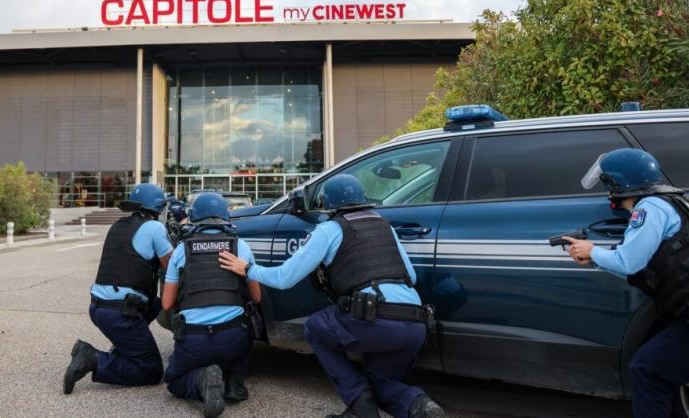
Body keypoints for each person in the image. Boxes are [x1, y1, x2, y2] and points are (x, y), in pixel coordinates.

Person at [218, 174, 444, 418]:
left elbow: (285, 278)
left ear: (327, 204)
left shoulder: (330, 229)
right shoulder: (383, 225)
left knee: (315, 328)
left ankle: (360, 404)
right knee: (381, 381)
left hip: (376, 321)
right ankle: (419, 405)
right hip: (415, 325)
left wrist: (248, 269)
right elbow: (411, 276)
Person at [564, 148, 689, 418]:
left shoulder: (648, 208)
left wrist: (591, 251)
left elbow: (629, 263)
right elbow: (643, 269)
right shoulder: (672, 200)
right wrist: (595, 259)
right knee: (659, 369)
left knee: (647, 369)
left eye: (607, 183)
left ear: (616, 183)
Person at [63, 183, 173, 394]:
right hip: (121, 313)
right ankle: (93, 359)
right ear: (156, 208)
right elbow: (172, 264)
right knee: (151, 369)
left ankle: (126, 346)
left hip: (99, 308)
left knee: (155, 304)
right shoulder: (155, 228)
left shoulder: (119, 225)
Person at [161, 192, 262, 418]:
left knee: (173, 380)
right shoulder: (241, 247)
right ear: (226, 216)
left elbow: (167, 303)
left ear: (193, 218)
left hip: (193, 340)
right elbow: (257, 297)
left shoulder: (180, 251)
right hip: (233, 338)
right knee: (247, 323)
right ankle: (234, 381)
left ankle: (200, 380)